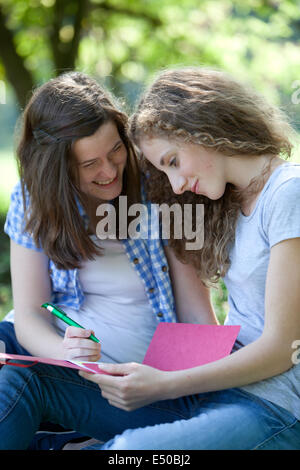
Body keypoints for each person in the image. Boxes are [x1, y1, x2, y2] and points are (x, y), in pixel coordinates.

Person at [79, 67, 300, 450]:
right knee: (34, 383)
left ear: (202, 127)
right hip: (222, 385)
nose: (177, 184)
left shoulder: (288, 192)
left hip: (276, 406)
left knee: (129, 452)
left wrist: (163, 384)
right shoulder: (229, 202)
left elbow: (281, 349)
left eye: (173, 161)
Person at [0, 71, 216, 450]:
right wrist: (64, 353)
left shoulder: (163, 188)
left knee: (18, 385)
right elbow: (31, 315)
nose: (109, 170)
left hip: (130, 386)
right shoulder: (34, 197)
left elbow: (199, 319)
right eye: (89, 165)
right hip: (52, 359)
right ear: (57, 168)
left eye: (115, 150)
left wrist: (178, 391)